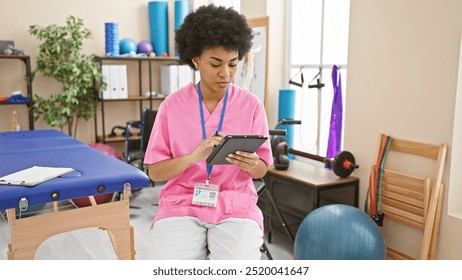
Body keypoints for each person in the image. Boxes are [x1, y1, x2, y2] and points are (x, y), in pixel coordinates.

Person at [143, 4, 273, 260]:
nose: (226, 74)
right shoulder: (172, 105)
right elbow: (155, 172)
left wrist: (253, 163)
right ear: (196, 60)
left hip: (235, 205)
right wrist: (193, 157)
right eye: (215, 64)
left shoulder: (252, 106)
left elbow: (262, 169)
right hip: (182, 204)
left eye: (233, 64)